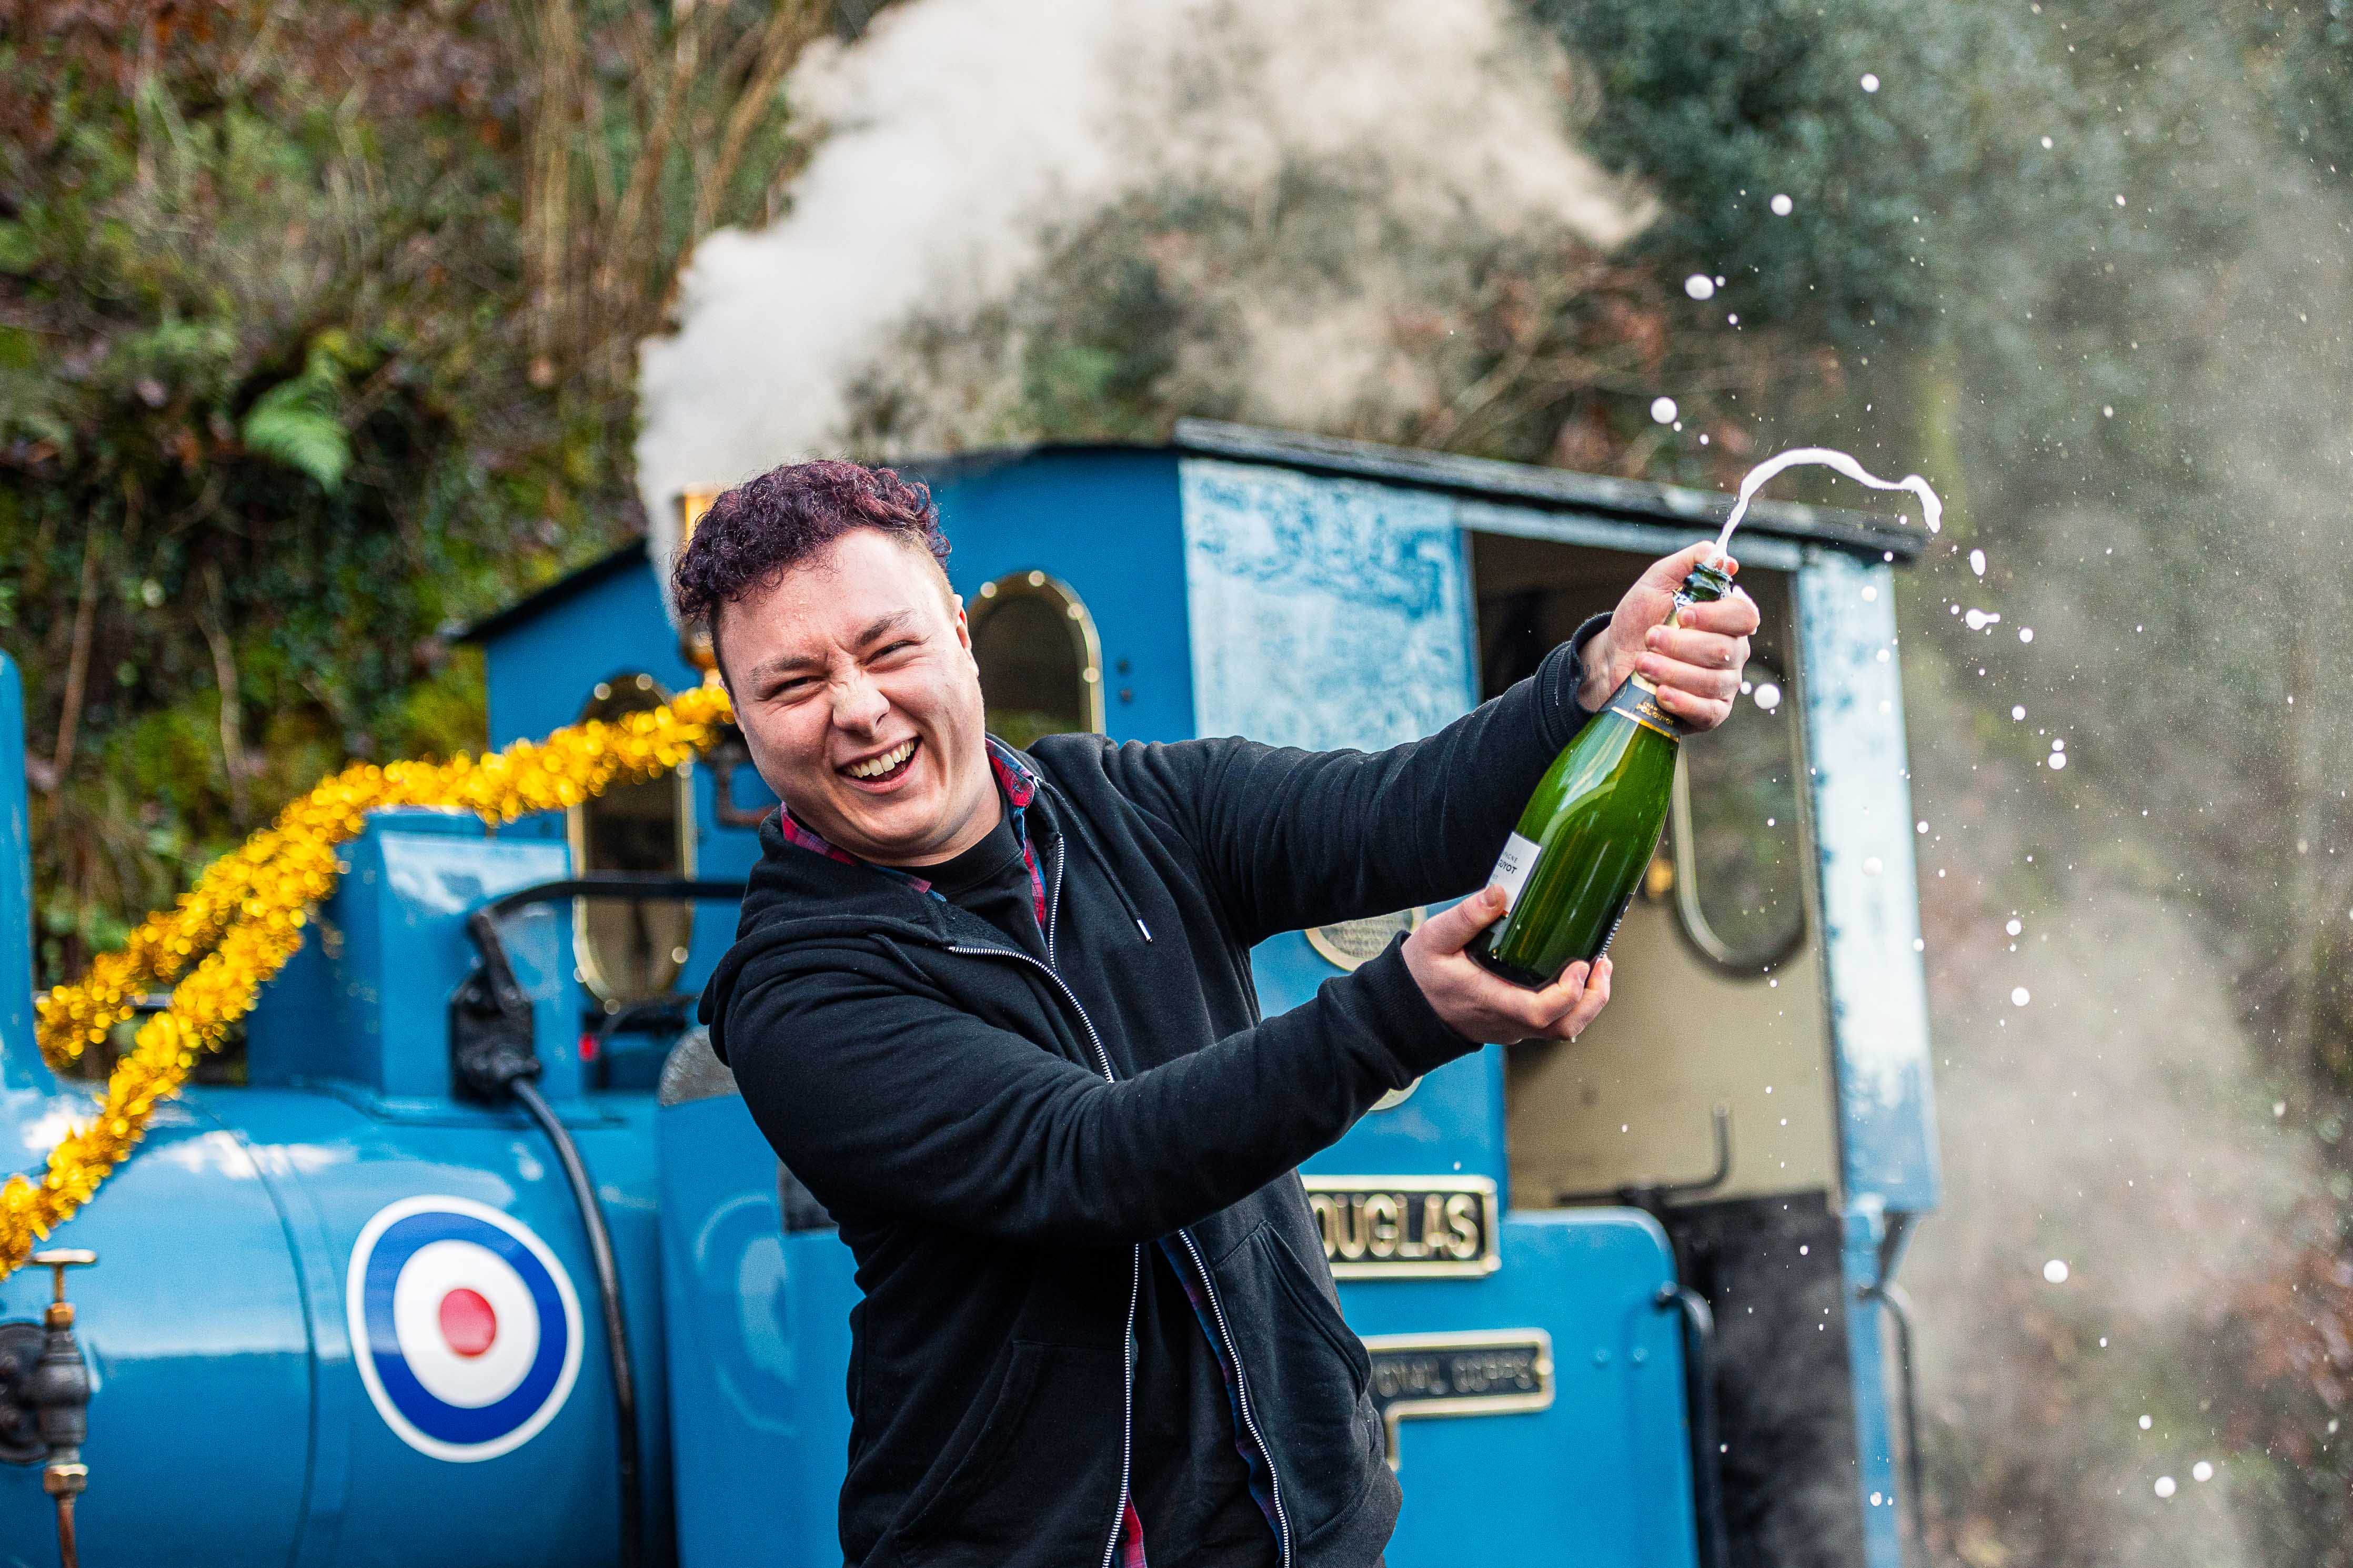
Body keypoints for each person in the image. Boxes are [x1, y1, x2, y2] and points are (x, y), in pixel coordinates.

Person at [681, 459, 1758, 1568]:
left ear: (958, 635)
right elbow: (1086, 1162)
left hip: (1303, 1534)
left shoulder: (1136, 805)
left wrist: (1590, 673)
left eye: (888, 646)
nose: (857, 709)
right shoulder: (797, 989)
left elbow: (1401, 814)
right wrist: (1402, 1016)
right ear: (746, 719)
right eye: (794, 684)